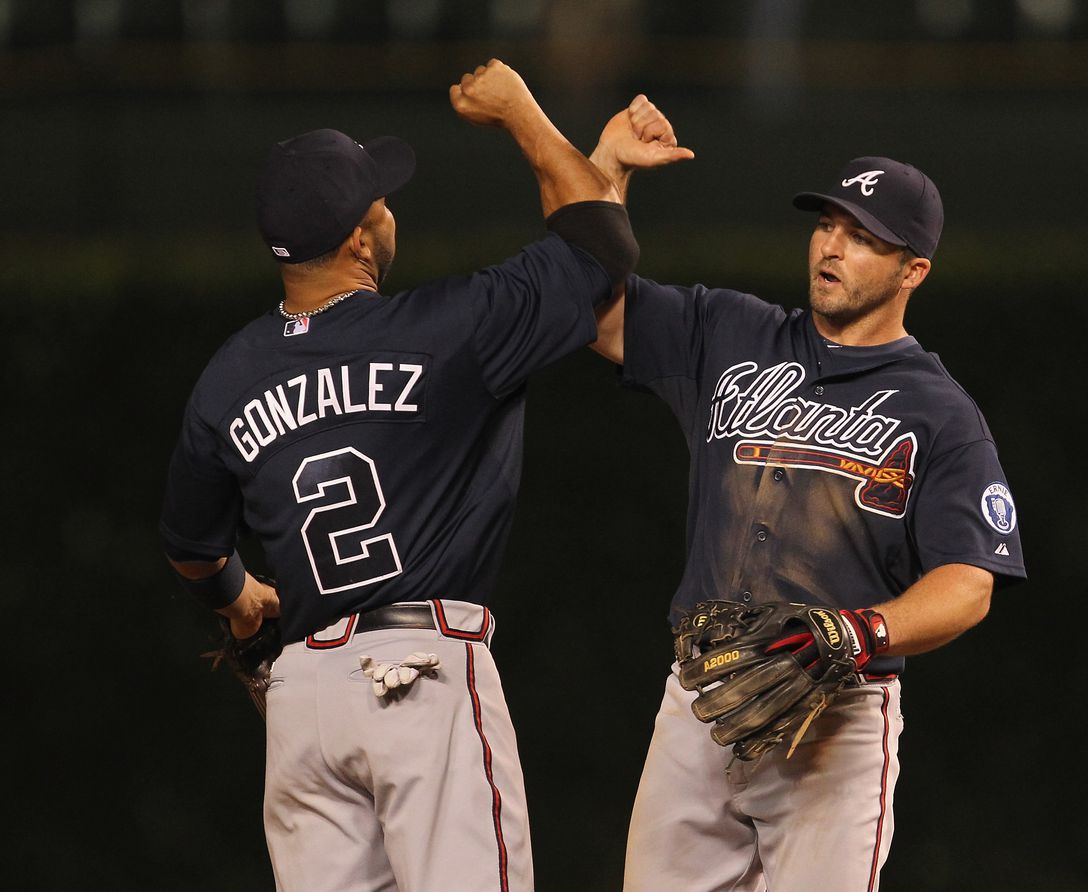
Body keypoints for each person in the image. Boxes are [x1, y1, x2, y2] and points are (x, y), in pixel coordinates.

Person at [158, 60, 686, 892]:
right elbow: (599, 249)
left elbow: (189, 543)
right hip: (419, 677)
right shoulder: (450, 330)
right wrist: (521, 111)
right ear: (361, 242)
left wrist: (237, 597)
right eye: (381, 199)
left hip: (303, 699)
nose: (390, 207)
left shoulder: (228, 376)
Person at [585, 148, 1027, 889]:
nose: (831, 246)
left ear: (913, 270)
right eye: (827, 224)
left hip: (837, 715)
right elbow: (594, 311)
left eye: (862, 237)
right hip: (703, 694)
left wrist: (863, 630)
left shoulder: (941, 413)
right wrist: (609, 175)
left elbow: (969, 581)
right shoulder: (731, 333)